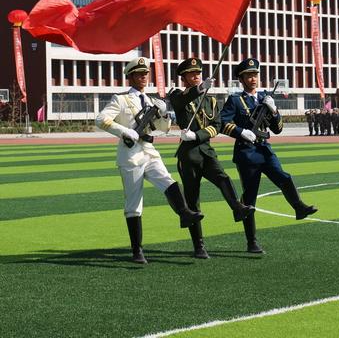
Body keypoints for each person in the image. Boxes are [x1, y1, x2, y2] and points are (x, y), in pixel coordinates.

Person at [96, 57, 203, 264]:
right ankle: (137, 251)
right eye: (139, 74)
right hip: (130, 155)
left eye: (145, 74)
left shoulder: (152, 101)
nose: (143, 77)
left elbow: (162, 129)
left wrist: (164, 114)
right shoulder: (120, 99)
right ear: (130, 77)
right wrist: (125, 131)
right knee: (134, 203)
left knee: (168, 180)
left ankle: (184, 214)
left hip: (149, 149)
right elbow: (101, 120)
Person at [220, 58, 318, 254]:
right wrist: (240, 132)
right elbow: (223, 123)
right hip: (247, 152)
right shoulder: (235, 100)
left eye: (255, 74)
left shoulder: (265, 97)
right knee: (249, 198)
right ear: (241, 78)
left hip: (265, 149)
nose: (253, 78)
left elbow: (278, 128)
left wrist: (273, 110)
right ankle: (252, 241)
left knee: (284, 177)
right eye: (249, 75)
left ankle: (298, 207)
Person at [169, 58, 255, 259]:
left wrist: (198, 135)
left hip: (206, 150)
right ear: (184, 78)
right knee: (193, 201)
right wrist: (198, 90)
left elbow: (216, 125)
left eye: (198, 72)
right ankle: (198, 245)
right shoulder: (177, 95)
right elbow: (181, 102)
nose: (196, 76)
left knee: (223, 178)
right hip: (188, 155)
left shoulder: (212, 100)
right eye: (191, 74)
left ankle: (237, 208)